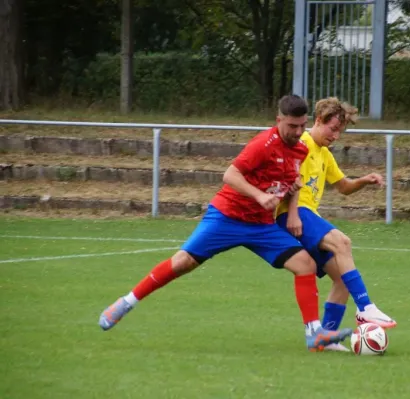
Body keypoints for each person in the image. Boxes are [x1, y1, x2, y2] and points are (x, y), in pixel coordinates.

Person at [98, 95, 352, 352]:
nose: (297, 132)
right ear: (279, 121)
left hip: (261, 225)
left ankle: (314, 333)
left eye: (301, 126)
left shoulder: (300, 149)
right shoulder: (263, 144)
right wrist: (259, 195)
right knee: (182, 262)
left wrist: (293, 209)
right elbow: (230, 174)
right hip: (228, 216)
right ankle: (126, 302)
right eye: (292, 126)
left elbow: (293, 180)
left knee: (305, 264)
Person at [276, 97, 396, 352]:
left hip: (307, 216)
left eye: (339, 131)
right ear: (318, 120)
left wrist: (364, 180)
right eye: (332, 129)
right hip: (293, 214)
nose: (336, 136)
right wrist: (294, 214)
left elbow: (343, 187)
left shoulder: (324, 154)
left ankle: (326, 339)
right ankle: (366, 309)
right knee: (343, 242)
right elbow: (288, 181)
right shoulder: (303, 144)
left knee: (342, 277)